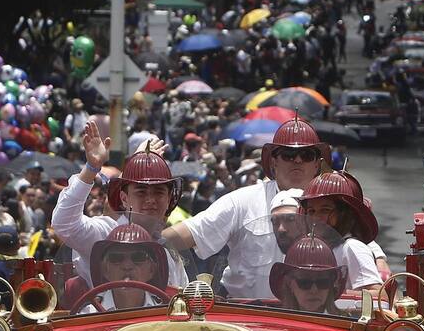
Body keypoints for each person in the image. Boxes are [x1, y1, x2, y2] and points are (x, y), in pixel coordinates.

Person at [161, 117, 331, 298]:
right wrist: (139, 246)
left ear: (316, 163)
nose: (297, 160)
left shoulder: (335, 206)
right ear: (274, 162)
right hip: (246, 318)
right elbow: (179, 236)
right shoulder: (241, 202)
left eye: (306, 155)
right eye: (288, 154)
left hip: (312, 320)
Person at [51, 120, 187, 286]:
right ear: (124, 199)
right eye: (141, 192)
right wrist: (91, 168)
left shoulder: (169, 255)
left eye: (159, 192)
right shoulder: (105, 234)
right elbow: (64, 224)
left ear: (169, 199)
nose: (151, 200)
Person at [297, 171, 381, 291]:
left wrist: (330, 295)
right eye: (311, 211)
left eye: (325, 210)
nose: (316, 218)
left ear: (344, 214)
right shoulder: (311, 248)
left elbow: (379, 295)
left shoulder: (352, 248)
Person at [76, 224, 171, 313]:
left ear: (152, 270)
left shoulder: (166, 313)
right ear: (105, 270)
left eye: (138, 257)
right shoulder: (88, 314)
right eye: (116, 258)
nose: (127, 266)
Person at [269, 235, 347, 314]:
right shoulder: (277, 324)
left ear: (331, 284)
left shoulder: (348, 325)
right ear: (289, 283)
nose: (314, 290)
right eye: (305, 282)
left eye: (323, 282)